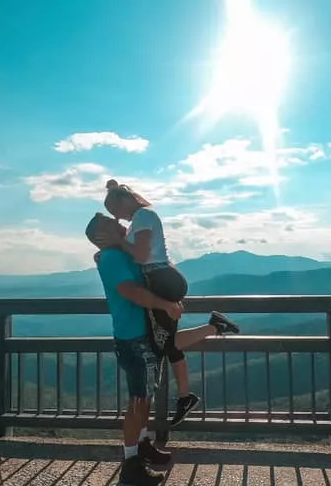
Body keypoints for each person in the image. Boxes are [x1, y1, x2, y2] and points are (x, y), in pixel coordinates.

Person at [85, 212, 240, 486]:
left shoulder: (118, 255)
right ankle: (131, 464)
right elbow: (131, 290)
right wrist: (164, 304)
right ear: (100, 236)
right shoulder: (112, 259)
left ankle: (142, 445)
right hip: (134, 338)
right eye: (112, 223)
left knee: (145, 397)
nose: (121, 223)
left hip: (141, 336)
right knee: (138, 402)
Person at [100, 179, 239, 427]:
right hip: (162, 278)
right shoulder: (142, 217)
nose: (118, 218)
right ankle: (186, 396)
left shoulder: (143, 215)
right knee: (165, 344)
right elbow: (142, 253)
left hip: (160, 279)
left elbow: (141, 255)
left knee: (164, 344)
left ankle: (214, 329)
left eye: (115, 212)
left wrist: (118, 240)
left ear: (125, 201)